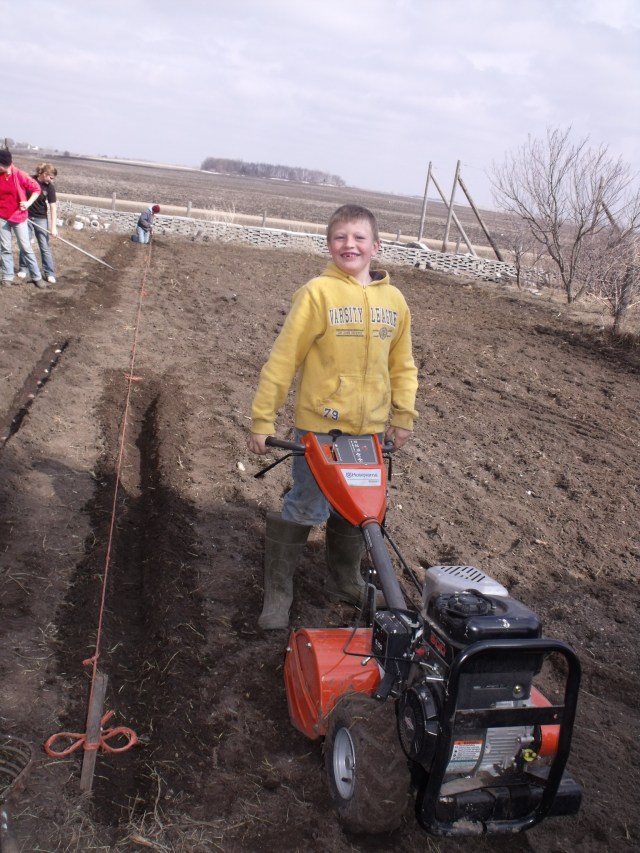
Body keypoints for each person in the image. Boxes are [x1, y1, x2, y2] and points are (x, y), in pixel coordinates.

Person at [247, 204, 418, 629]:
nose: (350, 245)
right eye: (340, 237)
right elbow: (284, 359)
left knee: (357, 510)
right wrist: (262, 419)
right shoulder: (317, 294)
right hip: (320, 429)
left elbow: (403, 364)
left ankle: (344, 579)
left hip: (371, 432)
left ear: (375, 246)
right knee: (305, 504)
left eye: (359, 237)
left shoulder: (394, 301)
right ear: (329, 244)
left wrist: (404, 415)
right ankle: (279, 592)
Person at [0, 150, 44, 287]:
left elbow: (37, 189)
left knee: (25, 247)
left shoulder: (19, 175)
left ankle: (37, 277)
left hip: (18, 216)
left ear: (4, 164)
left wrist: (28, 203)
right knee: (5, 248)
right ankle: (8, 276)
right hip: (2, 216)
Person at [17, 163, 58, 284]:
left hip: (41, 218)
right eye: (50, 177)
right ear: (44, 174)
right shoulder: (30, 180)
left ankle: (49, 273)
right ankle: (24, 269)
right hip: (27, 217)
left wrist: (53, 227)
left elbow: (53, 208)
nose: (51, 180)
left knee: (44, 246)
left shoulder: (49, 187)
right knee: (25, 243)